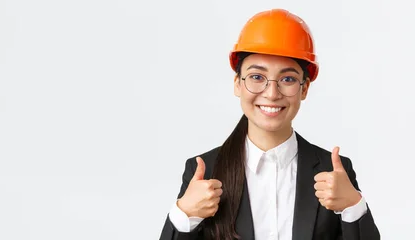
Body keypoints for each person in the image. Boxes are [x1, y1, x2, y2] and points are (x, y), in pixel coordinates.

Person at [159, 8, 380, 240]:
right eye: (257, 77)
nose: (272, 93)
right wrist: (184, 216)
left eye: (288, 79)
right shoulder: (205, 173)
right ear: (237, 83)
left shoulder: (334, 172)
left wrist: (354, 208)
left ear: (304, 88)